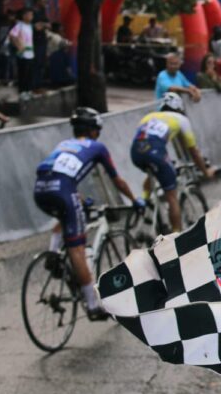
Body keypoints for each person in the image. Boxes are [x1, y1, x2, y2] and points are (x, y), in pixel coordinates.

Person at [34, 108, 144, 320]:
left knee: (65, 215)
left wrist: (80, 200)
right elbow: (117, 180)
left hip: (40, 189)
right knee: (77, 249)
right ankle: (93, 306)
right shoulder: (97, 147)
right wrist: (134, 199)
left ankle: (54, 254)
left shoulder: (64, 145)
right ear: (94, 131)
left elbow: (60, 177)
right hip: (63, 191)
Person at [130, 92, 214, 233]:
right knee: (171, 196)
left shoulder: (149, 116)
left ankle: (145, 202)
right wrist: (205, 171)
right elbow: (193, 151)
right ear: (179, 108)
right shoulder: (180, 119)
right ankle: (176, 236)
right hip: (155, 153)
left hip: (135, 152)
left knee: (153, 171)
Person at [8, 7, 35, 97]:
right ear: (24, 16)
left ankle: (29, 90)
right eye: (29, 15)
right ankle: (22, 91)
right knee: (23, 73)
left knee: (30, 73)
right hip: (22, 53)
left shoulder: (30, 26)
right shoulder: (19, 25)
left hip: (30, 53)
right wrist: (19, 46)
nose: (31, 16)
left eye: (32, 15)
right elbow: (12, 35)